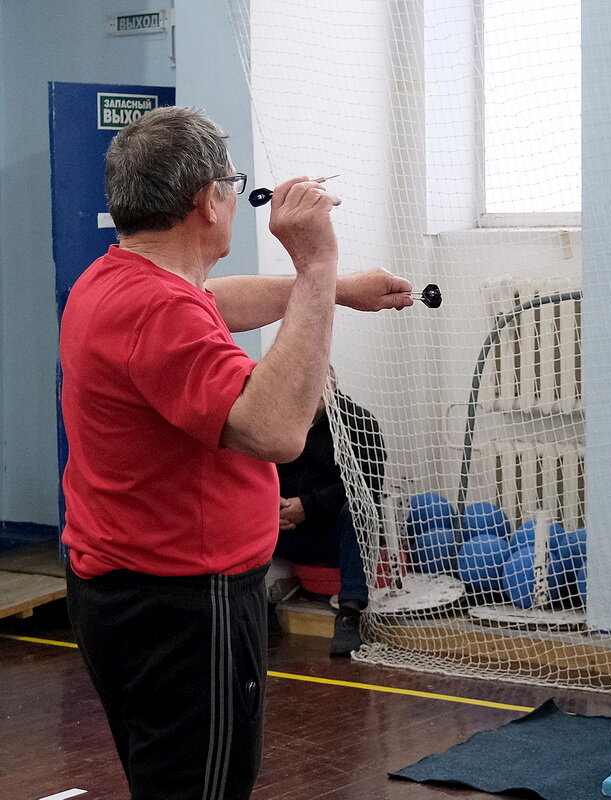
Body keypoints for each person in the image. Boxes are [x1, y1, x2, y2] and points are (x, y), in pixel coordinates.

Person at [59, 106, 413, 800]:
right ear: (206, 202)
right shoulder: (160, 311)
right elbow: (277, 428)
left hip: (124, 590)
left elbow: (212, 300)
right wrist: (317, 264)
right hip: (185, 606)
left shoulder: (115, 280)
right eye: (232, 182)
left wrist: (336, 292)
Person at [275, 376, 385, 657]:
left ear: (333, 386)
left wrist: (308, 507)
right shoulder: (280, 423)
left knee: (357, 510)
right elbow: (264, 474)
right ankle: (258, 605)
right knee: (239, 510)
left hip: (341, 537)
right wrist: (275, 509)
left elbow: (367, 489)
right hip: (290, 530)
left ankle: (349, 614)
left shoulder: (361, 424)